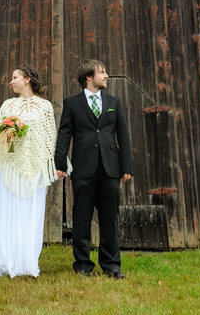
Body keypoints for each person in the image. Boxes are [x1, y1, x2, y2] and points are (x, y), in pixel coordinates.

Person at [55, 59, 133, 278]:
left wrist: (126, 166)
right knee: (81, 219)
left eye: (106, 72)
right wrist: (60, 163)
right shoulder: (72, 104)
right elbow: (64, 134)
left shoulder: (113, 102)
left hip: (110, 170)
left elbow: (123, 136)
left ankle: (112, 266)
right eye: (102, 72)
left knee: (109, 219)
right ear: (88, 77)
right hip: (83, 170)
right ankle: (82, 265)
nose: (106, 75)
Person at [0, 65, 64, 277]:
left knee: (30, 213)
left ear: (28, 79)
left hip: (34, 169)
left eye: (15, 77)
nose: (11, 81)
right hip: (9, 168)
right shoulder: (8, 105)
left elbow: (50, 138)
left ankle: (26, 263)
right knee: (7, 212)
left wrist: (55, 164)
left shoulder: (45, 107)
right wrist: (6, 135)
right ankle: (5, 262)